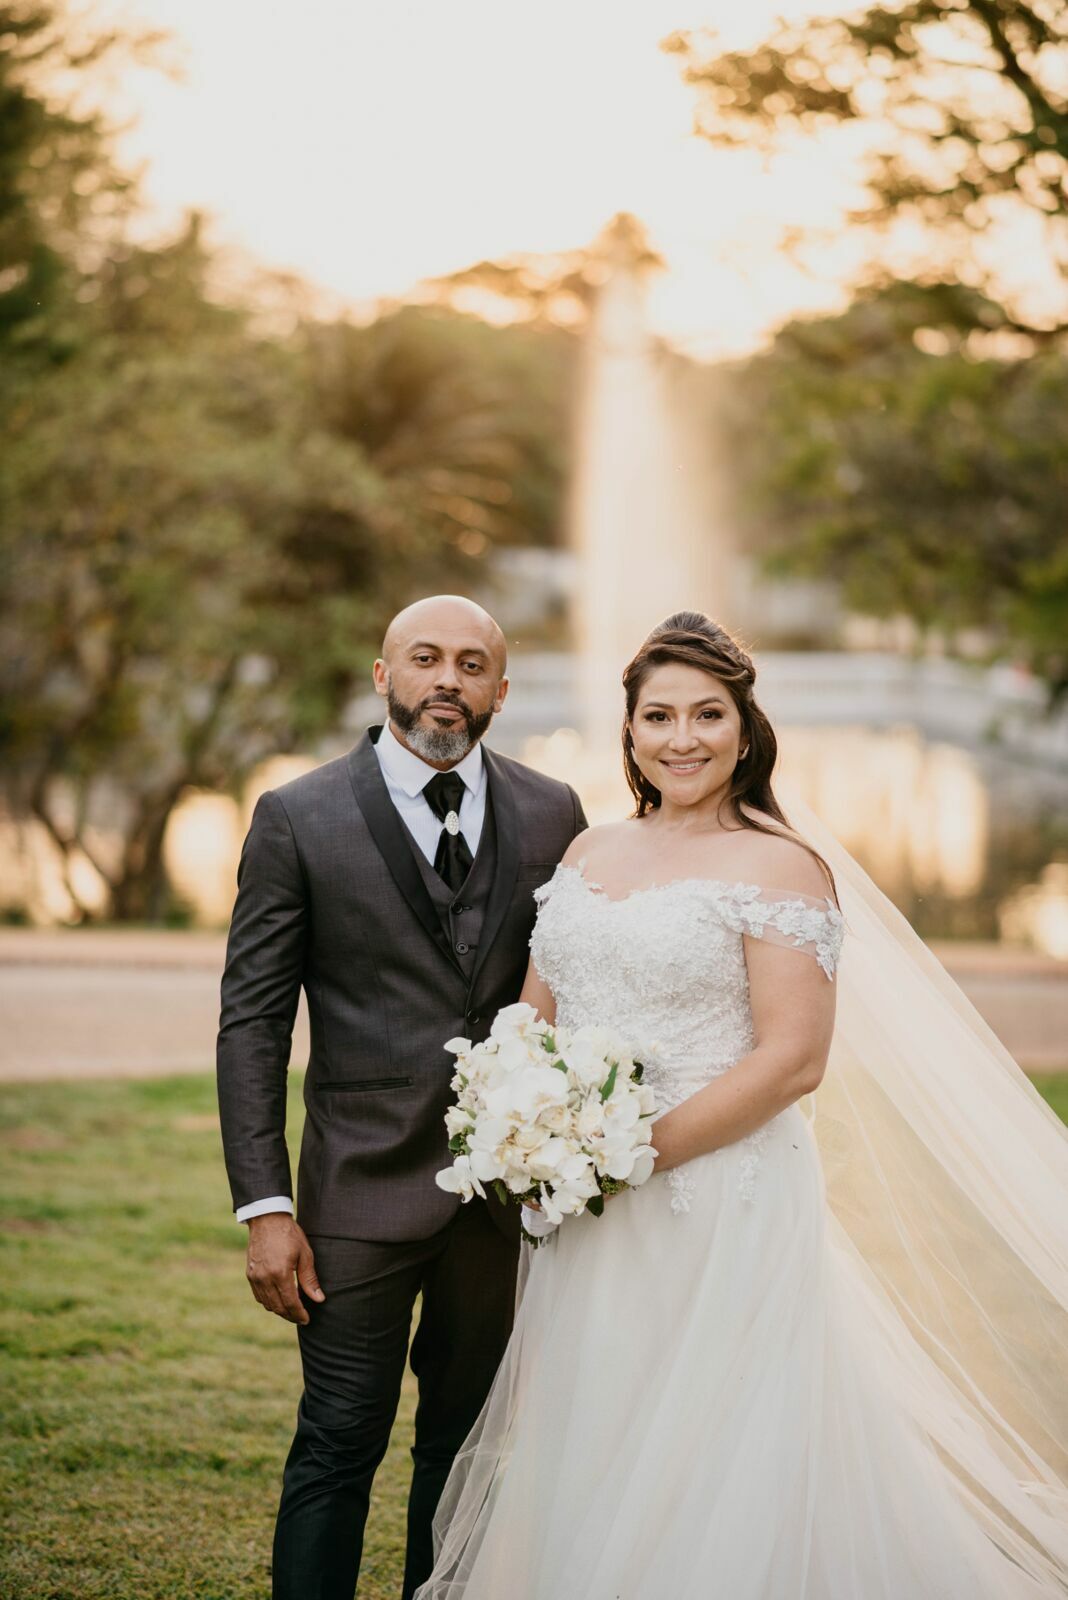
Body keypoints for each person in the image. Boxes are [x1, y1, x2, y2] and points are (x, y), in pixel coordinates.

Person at [415, 612, 1068, 1600]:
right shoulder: (592, 850)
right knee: (602, 1418)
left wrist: (624, 1153)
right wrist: (528, 1124)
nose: (684, 737)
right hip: (585, 1207)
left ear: (746, 727)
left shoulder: (778, 863)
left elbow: (793, 1059)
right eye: (660, 715)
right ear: (629, 730)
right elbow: (531, 1022)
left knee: (715, 1432)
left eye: (708, 714)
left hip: (717, 1195)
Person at [216, 594, 588, 1600]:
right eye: (425, 659)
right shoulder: (297, 817)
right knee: (338, 1442)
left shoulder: (556, 811)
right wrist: (265, 1205)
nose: (448, 682)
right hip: (356, 1198)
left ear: (501, 691)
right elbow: (252, 1021)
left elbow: (581, 991)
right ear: (383, 676)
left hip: (499, 1200)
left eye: (473, 665)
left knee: (466, 1450)